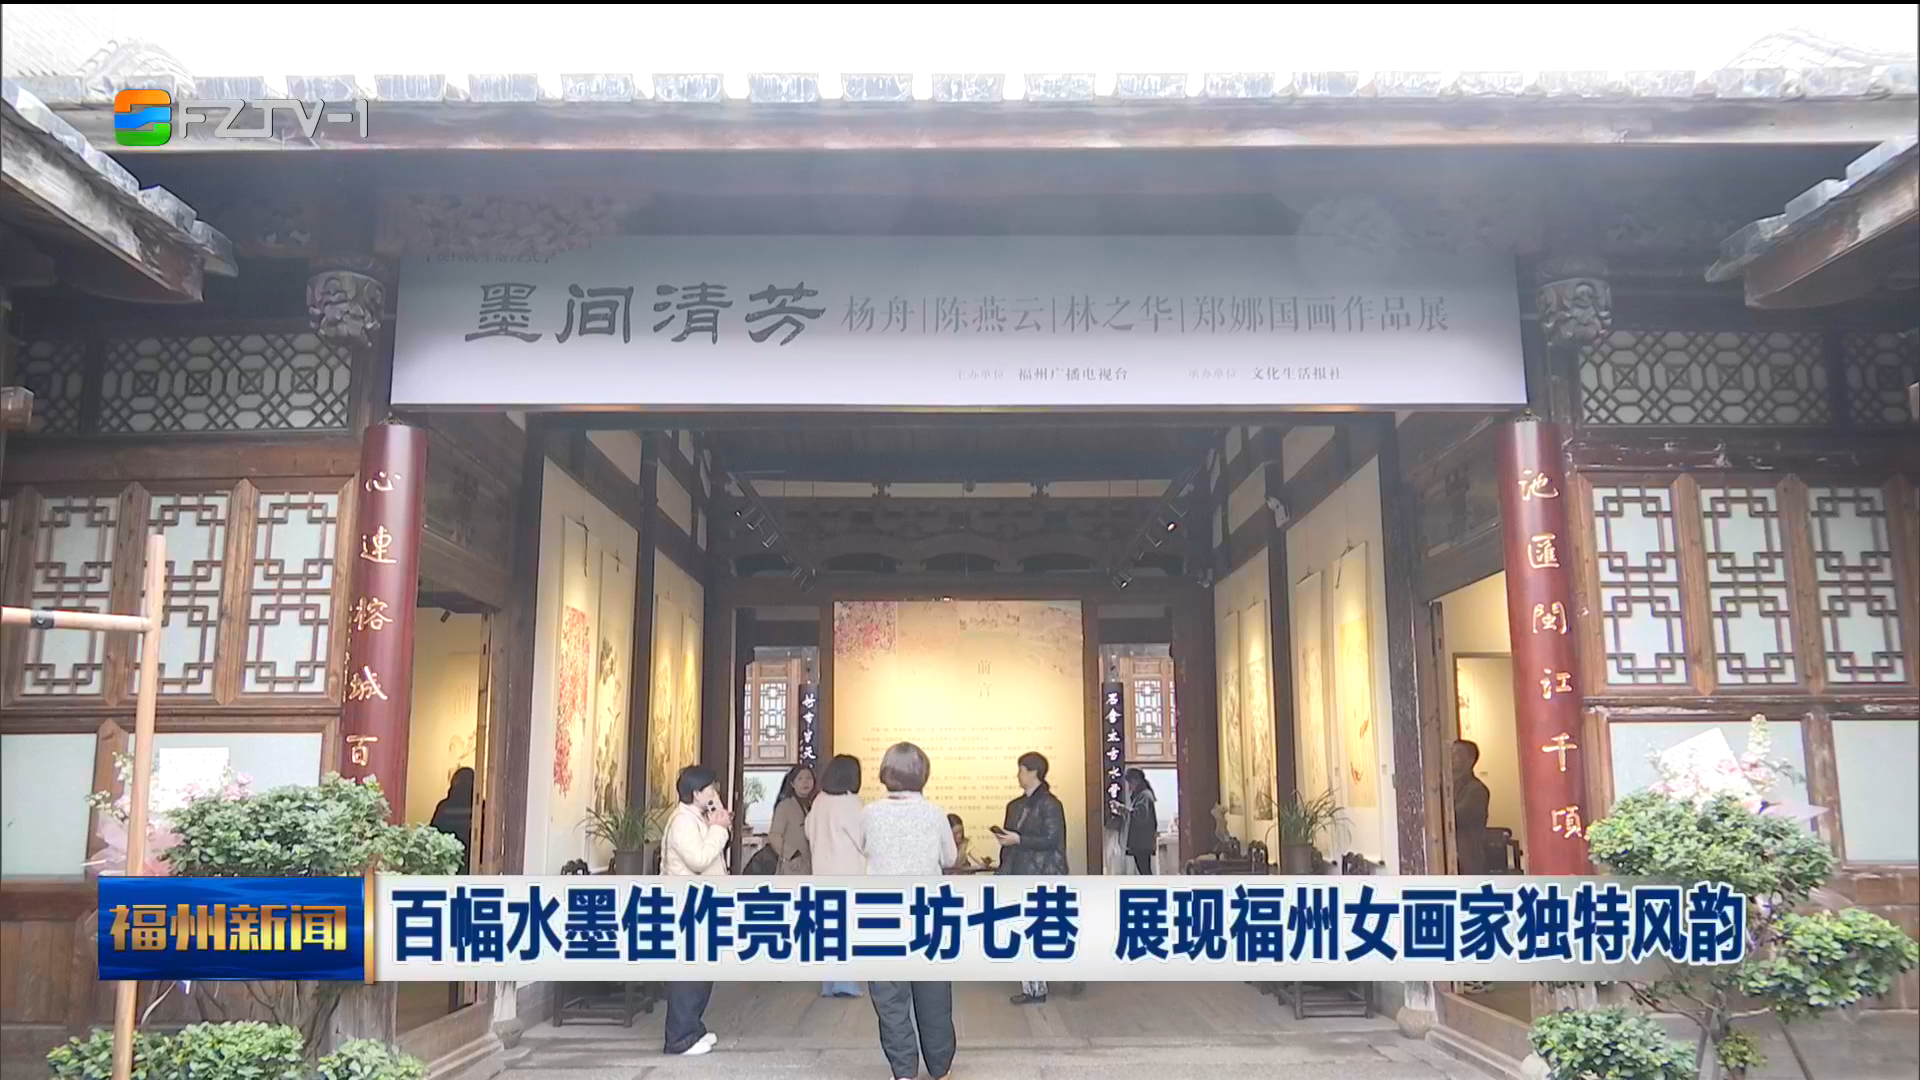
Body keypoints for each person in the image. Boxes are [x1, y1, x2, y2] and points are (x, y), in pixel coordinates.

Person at [862, 743, 958, 1080]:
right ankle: (940, 1067)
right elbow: (950, 858)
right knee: (934, 995)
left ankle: (903, 1071)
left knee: (890, 999)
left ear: (885, 773)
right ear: (923, 774)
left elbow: (863, 850)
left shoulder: (869, 814)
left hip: (881, 913)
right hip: (928, 911)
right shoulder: (935, 814)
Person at [660, 764, 732, 1057]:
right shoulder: (682, 822)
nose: (715, 793)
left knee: (701, 972)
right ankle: (679, 1039)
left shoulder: (697, 817)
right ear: (696, 793)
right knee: (688, 975)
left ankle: (693, 1028)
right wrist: (719, 829)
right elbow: (700, 860)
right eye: (710, 789)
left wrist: (718, 820)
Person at [998, 750, 1068, 1005]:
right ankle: (1033, 986)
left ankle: (1037, 987)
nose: (1018, 775)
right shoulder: (1016, 805)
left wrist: (1019, 839)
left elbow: (1052, 839)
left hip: (1041, 873)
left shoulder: (1050, 804)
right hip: (1019, 871)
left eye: (1021, 770)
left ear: (1033, 772)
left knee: (1036, 929)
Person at [806, 754, 866, 999]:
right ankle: (845, 981)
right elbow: (863, 839)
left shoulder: (820, 800)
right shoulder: (851, 803)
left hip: (822, 871)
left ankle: (828, 983)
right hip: (847, 873)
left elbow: (809, 830)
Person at [1452, 739, 1492, 877]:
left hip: (1467, 858)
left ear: (1470, 760)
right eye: (1451, 752)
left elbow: (1457, 816)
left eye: (1457, 753)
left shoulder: (1477, 790)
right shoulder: (1446, 787)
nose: (1452, 757)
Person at [768, 763, 816, 875]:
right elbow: (774, 836)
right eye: (800, 778)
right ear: (792, 783)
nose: (805, 782)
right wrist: (792, 854)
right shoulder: (785, 806)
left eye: (809, 778)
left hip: (812, 865)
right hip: (793, 866)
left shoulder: (816, 805)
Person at [428, 767, 475, 869]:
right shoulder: (481, 807)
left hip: (447, 862)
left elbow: (433, 835)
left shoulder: (444, 806)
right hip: (473, 863)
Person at [1124, 768, 1159, 875]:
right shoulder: (1142, 795)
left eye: (1130, 782)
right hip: (1141, 842)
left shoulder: (1144, 795)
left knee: (1144, 871)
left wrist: (1125, 810)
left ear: (1137, 780)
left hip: (1141, 842)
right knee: (1144, 870)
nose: (1130, 786)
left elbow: (1141, 815)